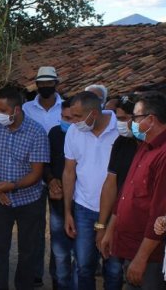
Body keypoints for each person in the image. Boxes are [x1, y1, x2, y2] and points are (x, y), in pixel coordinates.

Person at [0, 87, 50, 290]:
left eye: (2, 111)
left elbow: (36, 173)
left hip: (29, 201)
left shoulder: (36, 132)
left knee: (28, 251)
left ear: (16, 110)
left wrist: (12, 186)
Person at [104, 92, 166, 289]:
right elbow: (125, 193)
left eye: (135, 118)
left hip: (148, 255)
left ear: (151, 119)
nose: (131, 123)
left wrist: (141, 258)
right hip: (130, 246)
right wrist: (110, 230)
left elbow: (159, 213)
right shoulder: (144, 146)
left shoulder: (163, 155)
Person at [62, 91, 123, 290]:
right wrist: (68, 212)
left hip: (116, 212)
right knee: (84, 266)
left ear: (94, 114)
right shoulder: (73, 132)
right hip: (83, 209)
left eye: (78, 116)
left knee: (114, 268)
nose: (74, 121)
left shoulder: (121, 130)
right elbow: (69, 172)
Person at [22, 66, 63, 286]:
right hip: (32, 173)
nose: (46, 87)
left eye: (50, 83)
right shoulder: (26, 108)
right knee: (34, 228)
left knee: (58, 229)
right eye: (42, 83)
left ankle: (58, 275)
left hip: (59, 174)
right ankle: (35, 273)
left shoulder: (66, 108)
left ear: (57, 83)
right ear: (36, 84)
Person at [96, 95, 139, 254]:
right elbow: (110, 184)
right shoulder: (122, 143)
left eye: (124, 118)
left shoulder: (154, 147)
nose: (120, 124)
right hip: (121, 216)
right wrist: (102, 226)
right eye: (118, 118)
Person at [43, 99, 75, 290]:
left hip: (82, 202)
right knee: (60, 251)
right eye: (63, 117)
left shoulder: (86, 136)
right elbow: (46, 163)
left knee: (80, 254)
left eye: (70, 118)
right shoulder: (55, 133)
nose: (65, 121)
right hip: (57, 199)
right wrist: (51, 181)